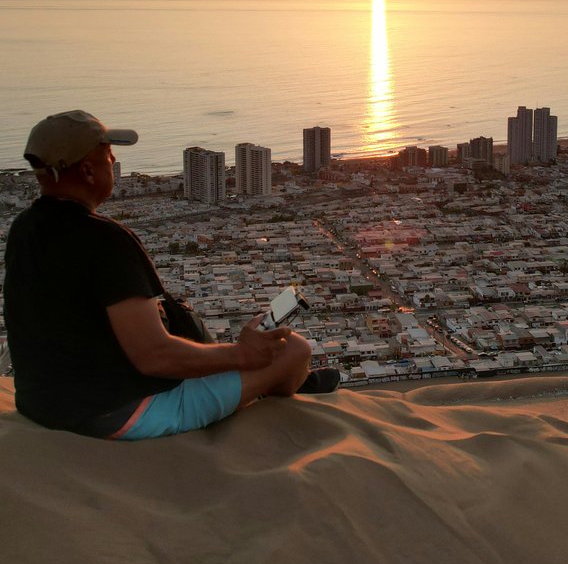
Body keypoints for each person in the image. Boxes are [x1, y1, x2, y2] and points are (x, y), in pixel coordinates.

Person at [3, 110, 338, 440]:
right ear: (89, 171)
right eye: (109, 156)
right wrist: (242, 355)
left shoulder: (23, 229)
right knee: (295, 350)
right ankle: (280, 387)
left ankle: (278, 380)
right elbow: (154, 356)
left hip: (43, 406)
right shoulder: (105, 240)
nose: (114, 163)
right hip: (117, 413)